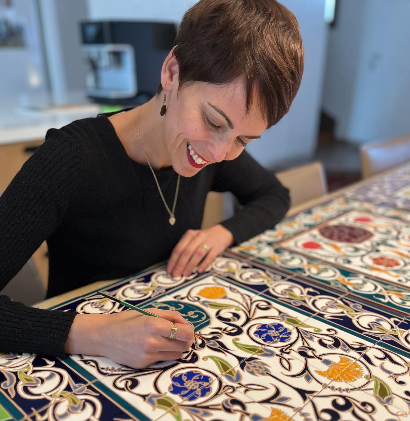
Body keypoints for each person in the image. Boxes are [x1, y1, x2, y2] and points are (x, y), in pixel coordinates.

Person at [0, 0, 304, 368]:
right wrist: (97, 334)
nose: (219, 152)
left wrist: (221, 233)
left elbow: (274, 194)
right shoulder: (72, 157)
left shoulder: (206, 148)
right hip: (76, 368)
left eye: (243, 139)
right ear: (173, 72)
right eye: (213, 121)